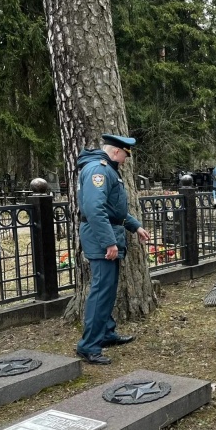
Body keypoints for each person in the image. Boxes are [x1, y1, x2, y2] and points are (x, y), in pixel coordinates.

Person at [76, 134, 150, 365]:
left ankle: (105, 332)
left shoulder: (106, 169)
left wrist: (135, 226)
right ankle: (88, 346)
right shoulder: (98, 170)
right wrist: (109, 242)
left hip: (107, 235)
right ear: (116, 152)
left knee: (107, 289)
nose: (126, 161)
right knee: (101, 291)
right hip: (101, 239)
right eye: (125, 156)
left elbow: (113, 210)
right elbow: (95, 209)